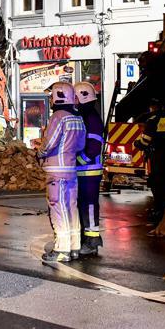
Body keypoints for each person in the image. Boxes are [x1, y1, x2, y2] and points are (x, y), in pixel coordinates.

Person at [38, 82, 85, 263]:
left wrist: (39, 152)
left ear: (59, 96)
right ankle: (74, 247)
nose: (50, 99)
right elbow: (80, 145)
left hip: (56, 171)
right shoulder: (77, 118)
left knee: (58, 208)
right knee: (71, 207)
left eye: (52, 96)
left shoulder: (58, 116)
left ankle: (61, 250)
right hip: (71, 169)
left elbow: (49, 144)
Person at [73, 82, 104, 256]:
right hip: (84, 171)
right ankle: (86, 239)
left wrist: (77, 160)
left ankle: (92, 241)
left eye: (76, 98)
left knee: (89, 206)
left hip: (89, 171)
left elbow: (93, 148)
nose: (74, 101)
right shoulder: (86, 116)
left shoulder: (91, 118)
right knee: (83, 205)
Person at [133, 98, 165, 219]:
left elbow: (145, 141)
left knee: (156, 184)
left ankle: (158, 210)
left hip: (156, 157)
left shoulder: (152, 121)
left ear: (152, 107)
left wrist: (137, 144)